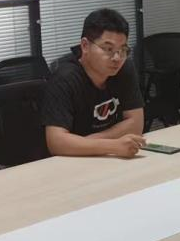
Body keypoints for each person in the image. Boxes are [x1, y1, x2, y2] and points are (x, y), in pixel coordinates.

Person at [41, 8, 146, 158]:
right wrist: (113, 145)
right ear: (85, 46)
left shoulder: (124, 69)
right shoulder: (64, 78)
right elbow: (56, 142)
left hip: (106, 157)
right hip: (71, 161)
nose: (117, 58)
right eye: (108, 49)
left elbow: (136, 124)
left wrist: (85, 143)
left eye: (123, 50)